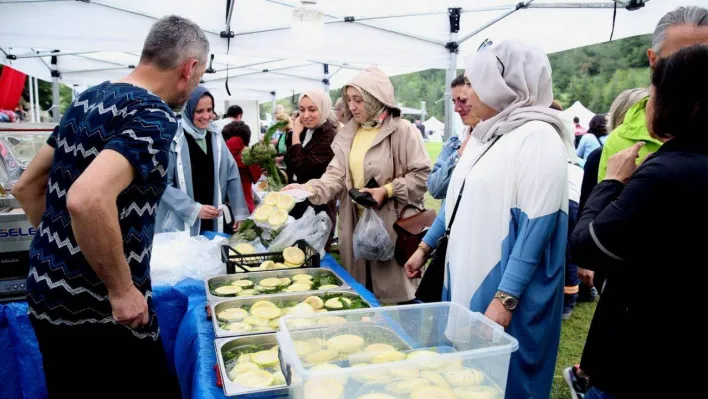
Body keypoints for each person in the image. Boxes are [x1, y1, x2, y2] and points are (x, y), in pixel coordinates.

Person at [10, 15, 209, 398]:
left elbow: (27, 186)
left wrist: (65, 252)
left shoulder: (87, 98)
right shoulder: (153, 115)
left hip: (48, 297)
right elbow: (86, 198)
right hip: (100, 311)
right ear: (189, 68)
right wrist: (120, 289)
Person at [571, 44, 708, 399]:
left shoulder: (666, 172)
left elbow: (588, 246)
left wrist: (611, 181)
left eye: (652, 92)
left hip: (640, 359)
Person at [443, 40, 575, 398]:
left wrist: (505, 299)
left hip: (506, 290)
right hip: (475, 278)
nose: (466, 93)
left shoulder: (538, 136)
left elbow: (538, 226)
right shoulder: (491, 134)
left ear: (501, 84)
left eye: (475, 82)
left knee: (507, 380)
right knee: (470, 380)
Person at [283, 66, 431, 303]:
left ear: (376, 99)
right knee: (363, 298)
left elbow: (423, 175)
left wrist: (388, 190)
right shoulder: (350, 134)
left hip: (394, 228)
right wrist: (307, 189)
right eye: (349, 99)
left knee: (396, 299)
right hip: (356, 227)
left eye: (358, 100)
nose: (351, 106)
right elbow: (335, 176)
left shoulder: (403, 131)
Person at [564, 86, 649, 399]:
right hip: (605, 250)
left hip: (623, 250)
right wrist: (585, 263)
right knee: (612, 317)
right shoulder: (602, 156)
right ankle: (587, 374)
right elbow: (589, 205)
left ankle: (585, 373)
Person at [597, 5, 708, 181]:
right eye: (678, 61)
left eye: (704, 59)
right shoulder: (621, 140)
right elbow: (606, 205)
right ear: (654, 61)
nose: (693, 70)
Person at [404, 74, 480, 287]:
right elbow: (436, 189)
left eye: (463, 100)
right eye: (454, 101)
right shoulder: (455, 143)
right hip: (451, 237)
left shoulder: (499, 145)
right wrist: (458, 156)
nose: (457, 108)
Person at [155, 86, 249, 236]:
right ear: (188, 110)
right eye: (199, 111)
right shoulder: (172, 139)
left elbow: (232, 173)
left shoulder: (215, 136)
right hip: (181, 223)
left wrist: (239, 212)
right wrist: (193, 209)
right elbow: (161, 183)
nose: (206, 116)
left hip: (213, 220)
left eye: (209, 110)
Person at [284, 89, 338, 251]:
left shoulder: (329, 136)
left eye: (312, 110)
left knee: (314, 255)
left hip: (318, 207)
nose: (305, 115)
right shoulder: (306, 131)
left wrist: (295, 135)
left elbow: (303, 170)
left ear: (323, 109)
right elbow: (292, 164)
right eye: (301, 110)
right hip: (298, 205)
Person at [223, 121, 261, 213]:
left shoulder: (224, 155)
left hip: (229, 209)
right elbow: (256, 177)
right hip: (247, 206)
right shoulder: (249, 157)